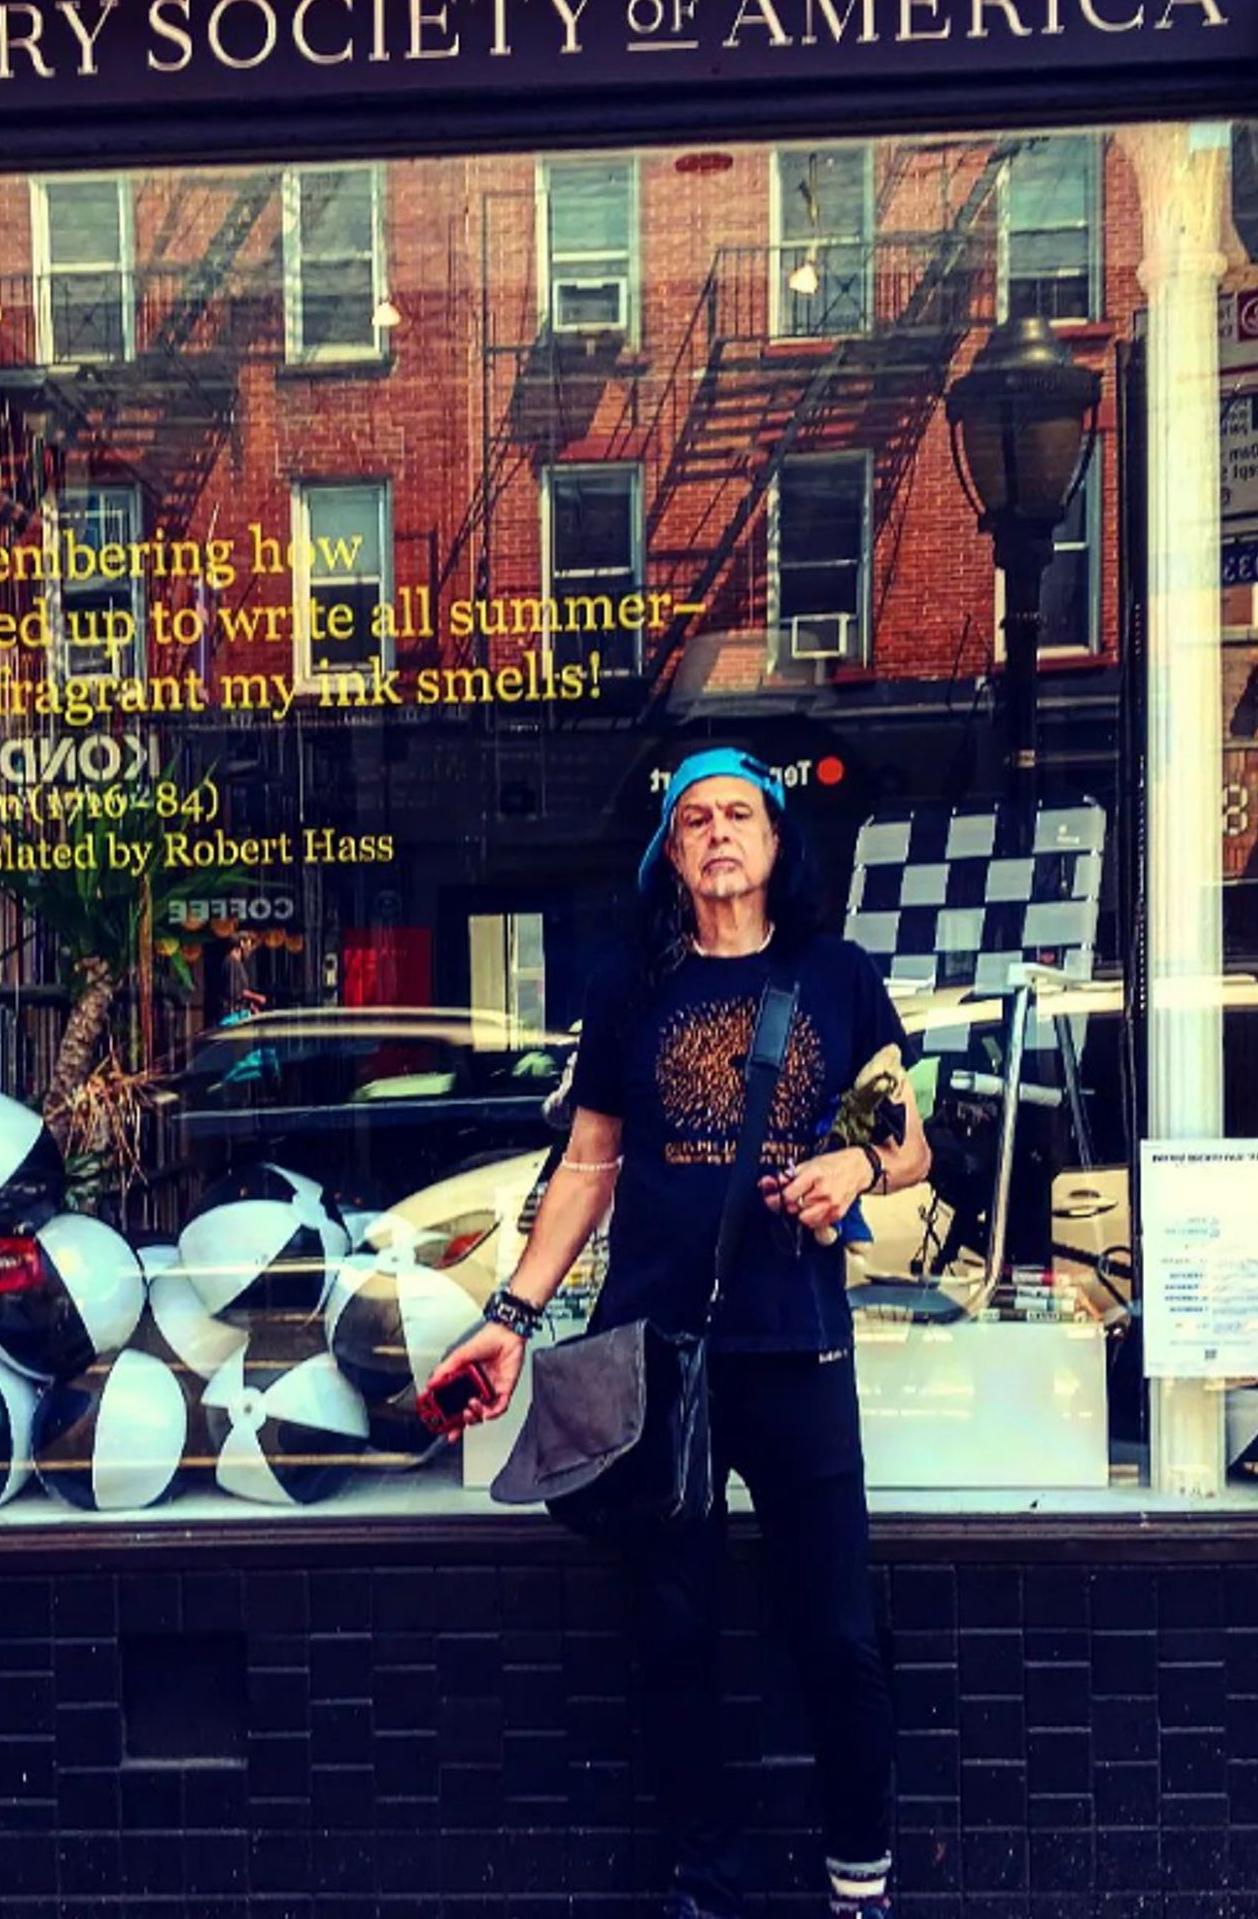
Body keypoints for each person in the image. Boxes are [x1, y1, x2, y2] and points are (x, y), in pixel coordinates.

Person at [430, 747, 931, 1919]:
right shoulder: (633, 985)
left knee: (840, 1638)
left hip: (798, 1351)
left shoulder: (832, 975)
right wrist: (511, 1314)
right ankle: (709, 1880)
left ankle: (861, 1880)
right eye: (693, 817)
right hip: (658, 1361)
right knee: (678, 1638)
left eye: (738, 814)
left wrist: (855, 1157)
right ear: (669, 851)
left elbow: (904, 1138)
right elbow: (589, 1164)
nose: (716, 832)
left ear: (775, 839)